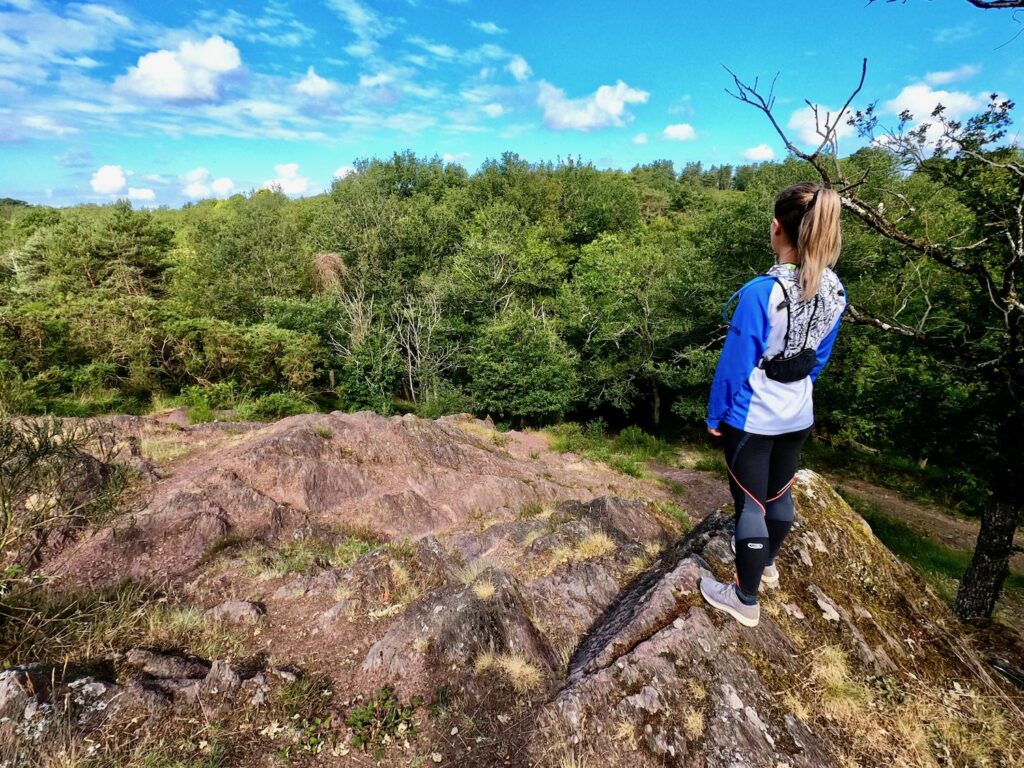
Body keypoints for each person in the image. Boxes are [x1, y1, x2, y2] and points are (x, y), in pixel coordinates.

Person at [699, 182, 847, 627]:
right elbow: (819, 356)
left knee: (750, 506)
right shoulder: (834, 289)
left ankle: (744, 598)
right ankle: (766, 563)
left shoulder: (761, 291)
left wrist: (715, 414)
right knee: (779, 494)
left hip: (755, 415)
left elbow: (736, 361)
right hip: (798, 413)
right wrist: (796, 387)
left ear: (777, 228)